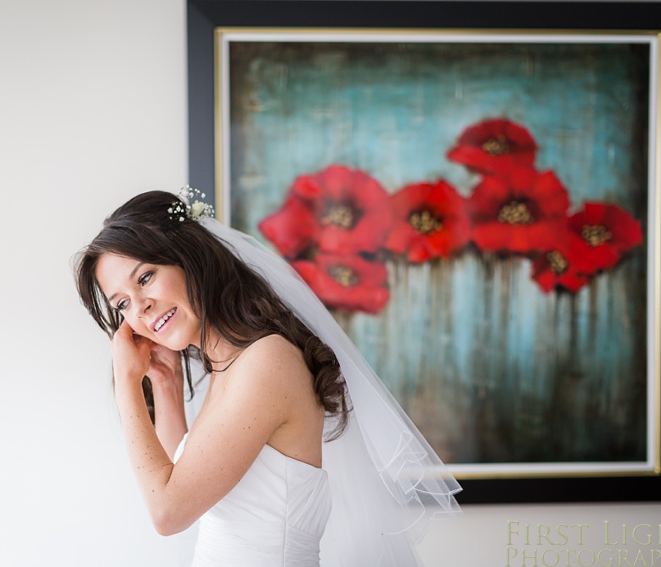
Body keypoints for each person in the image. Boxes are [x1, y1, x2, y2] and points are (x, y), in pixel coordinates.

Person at [74, 189, 461, 566]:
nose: (139, 308)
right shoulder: (229, 366)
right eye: (121, 304)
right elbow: (189, 483)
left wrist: (127, 382)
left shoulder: (265, 362)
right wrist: (165, 384)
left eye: (145, 278)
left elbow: (168, 512)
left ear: (188, 259)